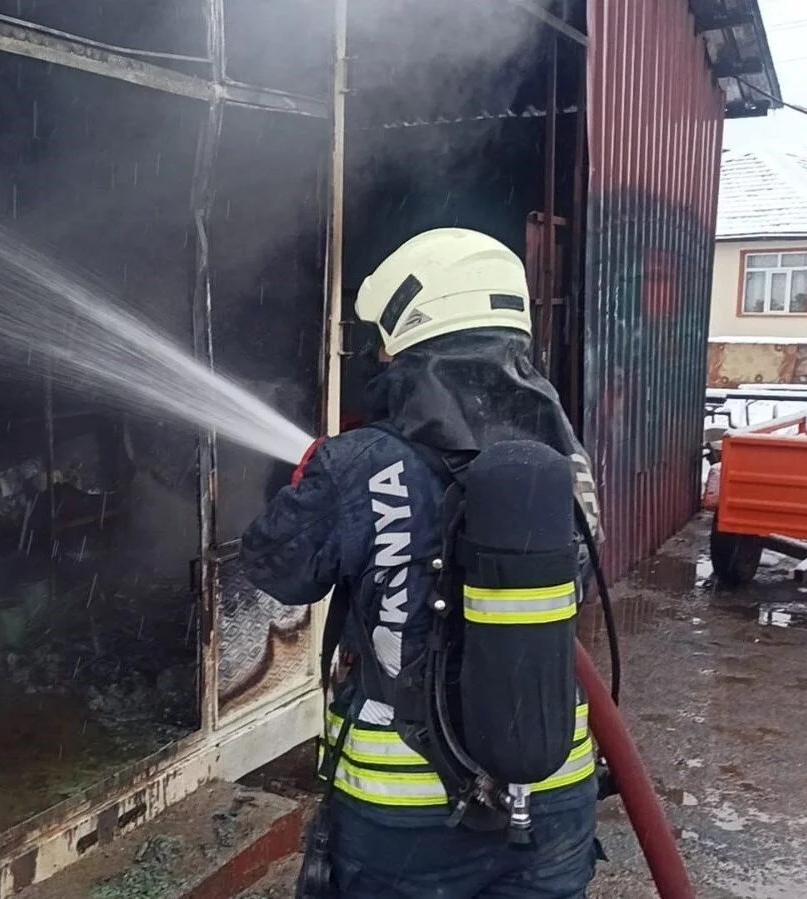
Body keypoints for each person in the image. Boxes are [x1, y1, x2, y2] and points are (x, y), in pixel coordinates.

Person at [242, 229, 604, 898]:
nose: (375, 355)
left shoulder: (356, 463)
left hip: (404, 816)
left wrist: (298, 484)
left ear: (408, 338)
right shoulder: (562, 462)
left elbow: (275, 566)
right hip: (553, 796)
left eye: (381, 340)